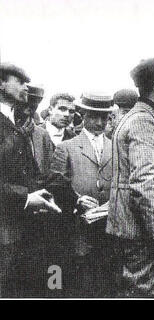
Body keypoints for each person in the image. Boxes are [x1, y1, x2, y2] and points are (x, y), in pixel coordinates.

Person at [106, 58, 154, 297]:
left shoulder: (133, 116)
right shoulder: (144, 121)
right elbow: (142, 182)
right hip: (140, 229)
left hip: (129, 225)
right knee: (141, 289)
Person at [0, 63, 61, 297]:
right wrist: (25, 198)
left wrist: (69, 195)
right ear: (1, 83)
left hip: (23, 232)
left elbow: (35, 174)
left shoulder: (19, 122)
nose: (26, 86)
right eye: (20, 81)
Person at [48, 92, 115, 297]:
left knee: (106, 281)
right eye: (94, 116)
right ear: (84, 115)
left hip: (109, 228)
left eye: (104, 117)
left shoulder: (116, 147)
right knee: (80, 282)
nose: (99, 122)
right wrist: (77, 199)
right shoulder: (66, 147)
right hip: (78, 228)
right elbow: (56, 184)